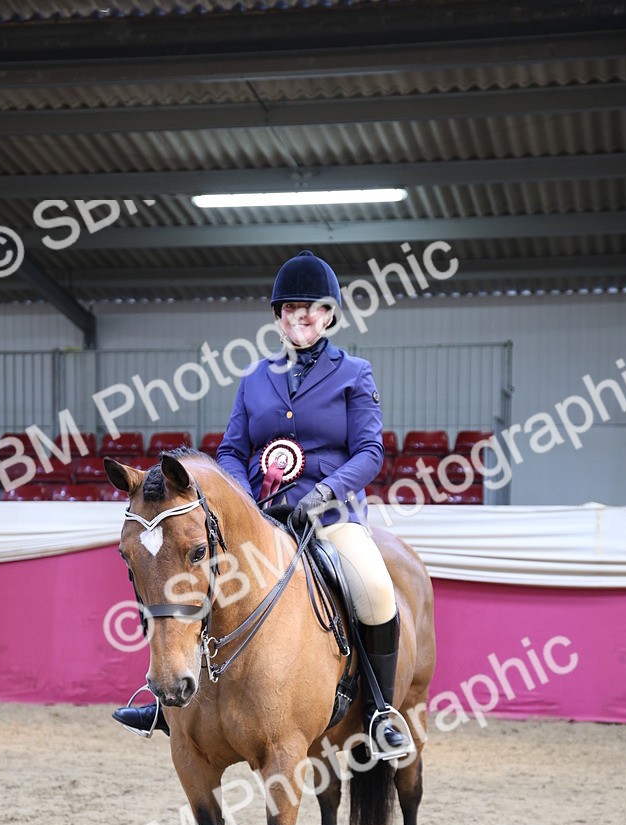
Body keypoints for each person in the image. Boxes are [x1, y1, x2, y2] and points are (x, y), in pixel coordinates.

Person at [113, 249, 407, 756]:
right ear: (278, 317)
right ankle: (167, 704)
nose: (302, 316)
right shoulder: (255, 379)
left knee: (377, 588)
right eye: (291, 308)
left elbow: (369, 451)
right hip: (261, 521)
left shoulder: (354, 373)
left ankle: (379, 708)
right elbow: (230, 450)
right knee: (185, 583)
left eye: (312, 308)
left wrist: (320, 493)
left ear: (330, 315)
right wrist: (248, 502)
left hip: (329, 518)